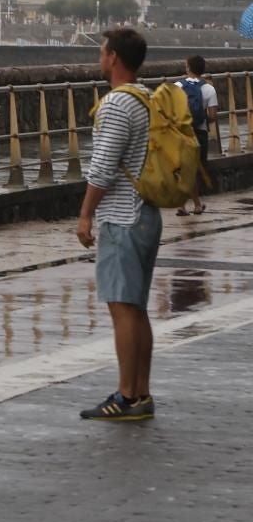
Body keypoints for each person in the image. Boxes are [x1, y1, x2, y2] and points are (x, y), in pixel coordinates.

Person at [76, 27, 161, 420]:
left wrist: (85, 213)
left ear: (113, 57)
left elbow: (104, 166)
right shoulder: (148, 97)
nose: (100, 58)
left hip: (122, 216)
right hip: (147, 212)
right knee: (137, 308)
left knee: (122, 308)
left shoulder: (116, 104)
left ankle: (127, 396)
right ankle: (141, 392)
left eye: (102, 52)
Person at [175, 54, 218, 216]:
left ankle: (183, 205)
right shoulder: (209, 89)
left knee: (183, 169)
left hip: (181, 132)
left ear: (188, 68)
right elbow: (213, 116)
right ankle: (196, 205)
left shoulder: (177, 86)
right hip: (200, 133)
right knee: (196, 169)